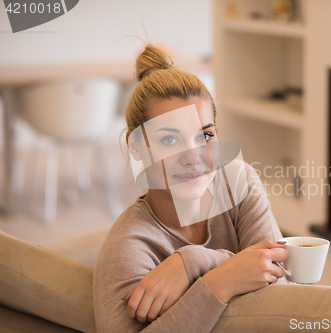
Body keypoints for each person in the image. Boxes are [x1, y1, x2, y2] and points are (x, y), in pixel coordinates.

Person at [93, 44, 289, 333]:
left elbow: (281, 291)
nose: (194, 157)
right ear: (136, 146)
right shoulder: (129, 248)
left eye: (205, 135)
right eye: (170, 140)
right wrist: (220, 282)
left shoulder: (238, 182)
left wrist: (195, 261)